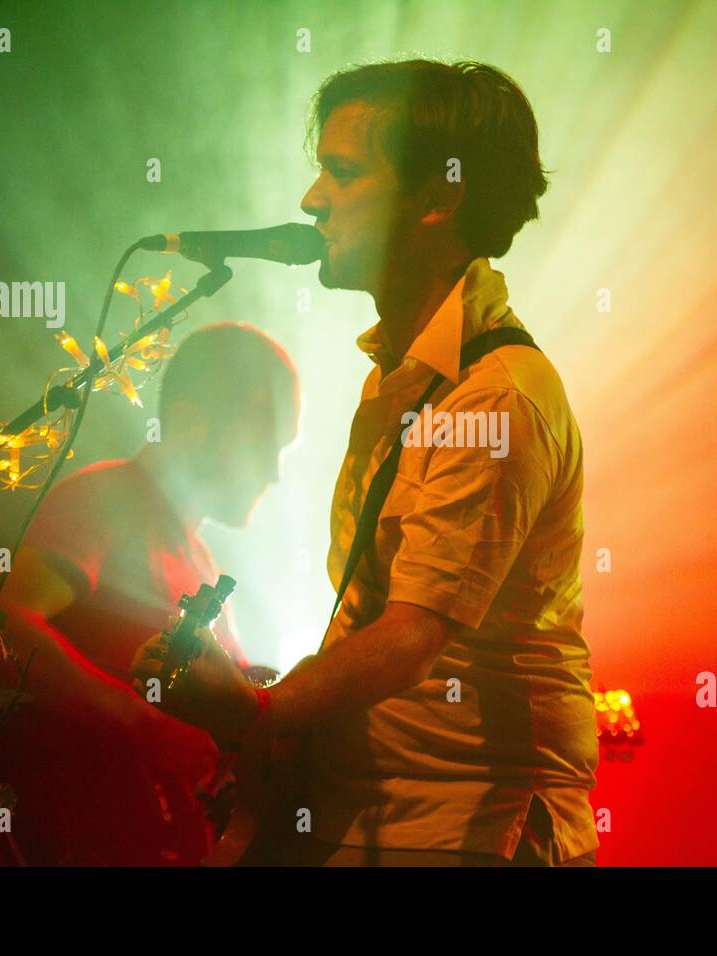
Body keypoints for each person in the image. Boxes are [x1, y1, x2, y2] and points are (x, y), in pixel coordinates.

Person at [134, 59, 598, 866]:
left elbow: (412, 637)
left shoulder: (498, 398)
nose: (312, 199)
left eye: (343, 172)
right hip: (381, 813)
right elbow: (376, 612)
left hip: (462, 827)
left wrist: (254, 712)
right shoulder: (402, 376)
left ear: (439, 198)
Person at [0, 321, 300, 865]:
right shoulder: (110, 498)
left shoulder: (202, 560)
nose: (275, 473)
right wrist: (142, 724)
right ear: (188, 420)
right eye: (263, 441)